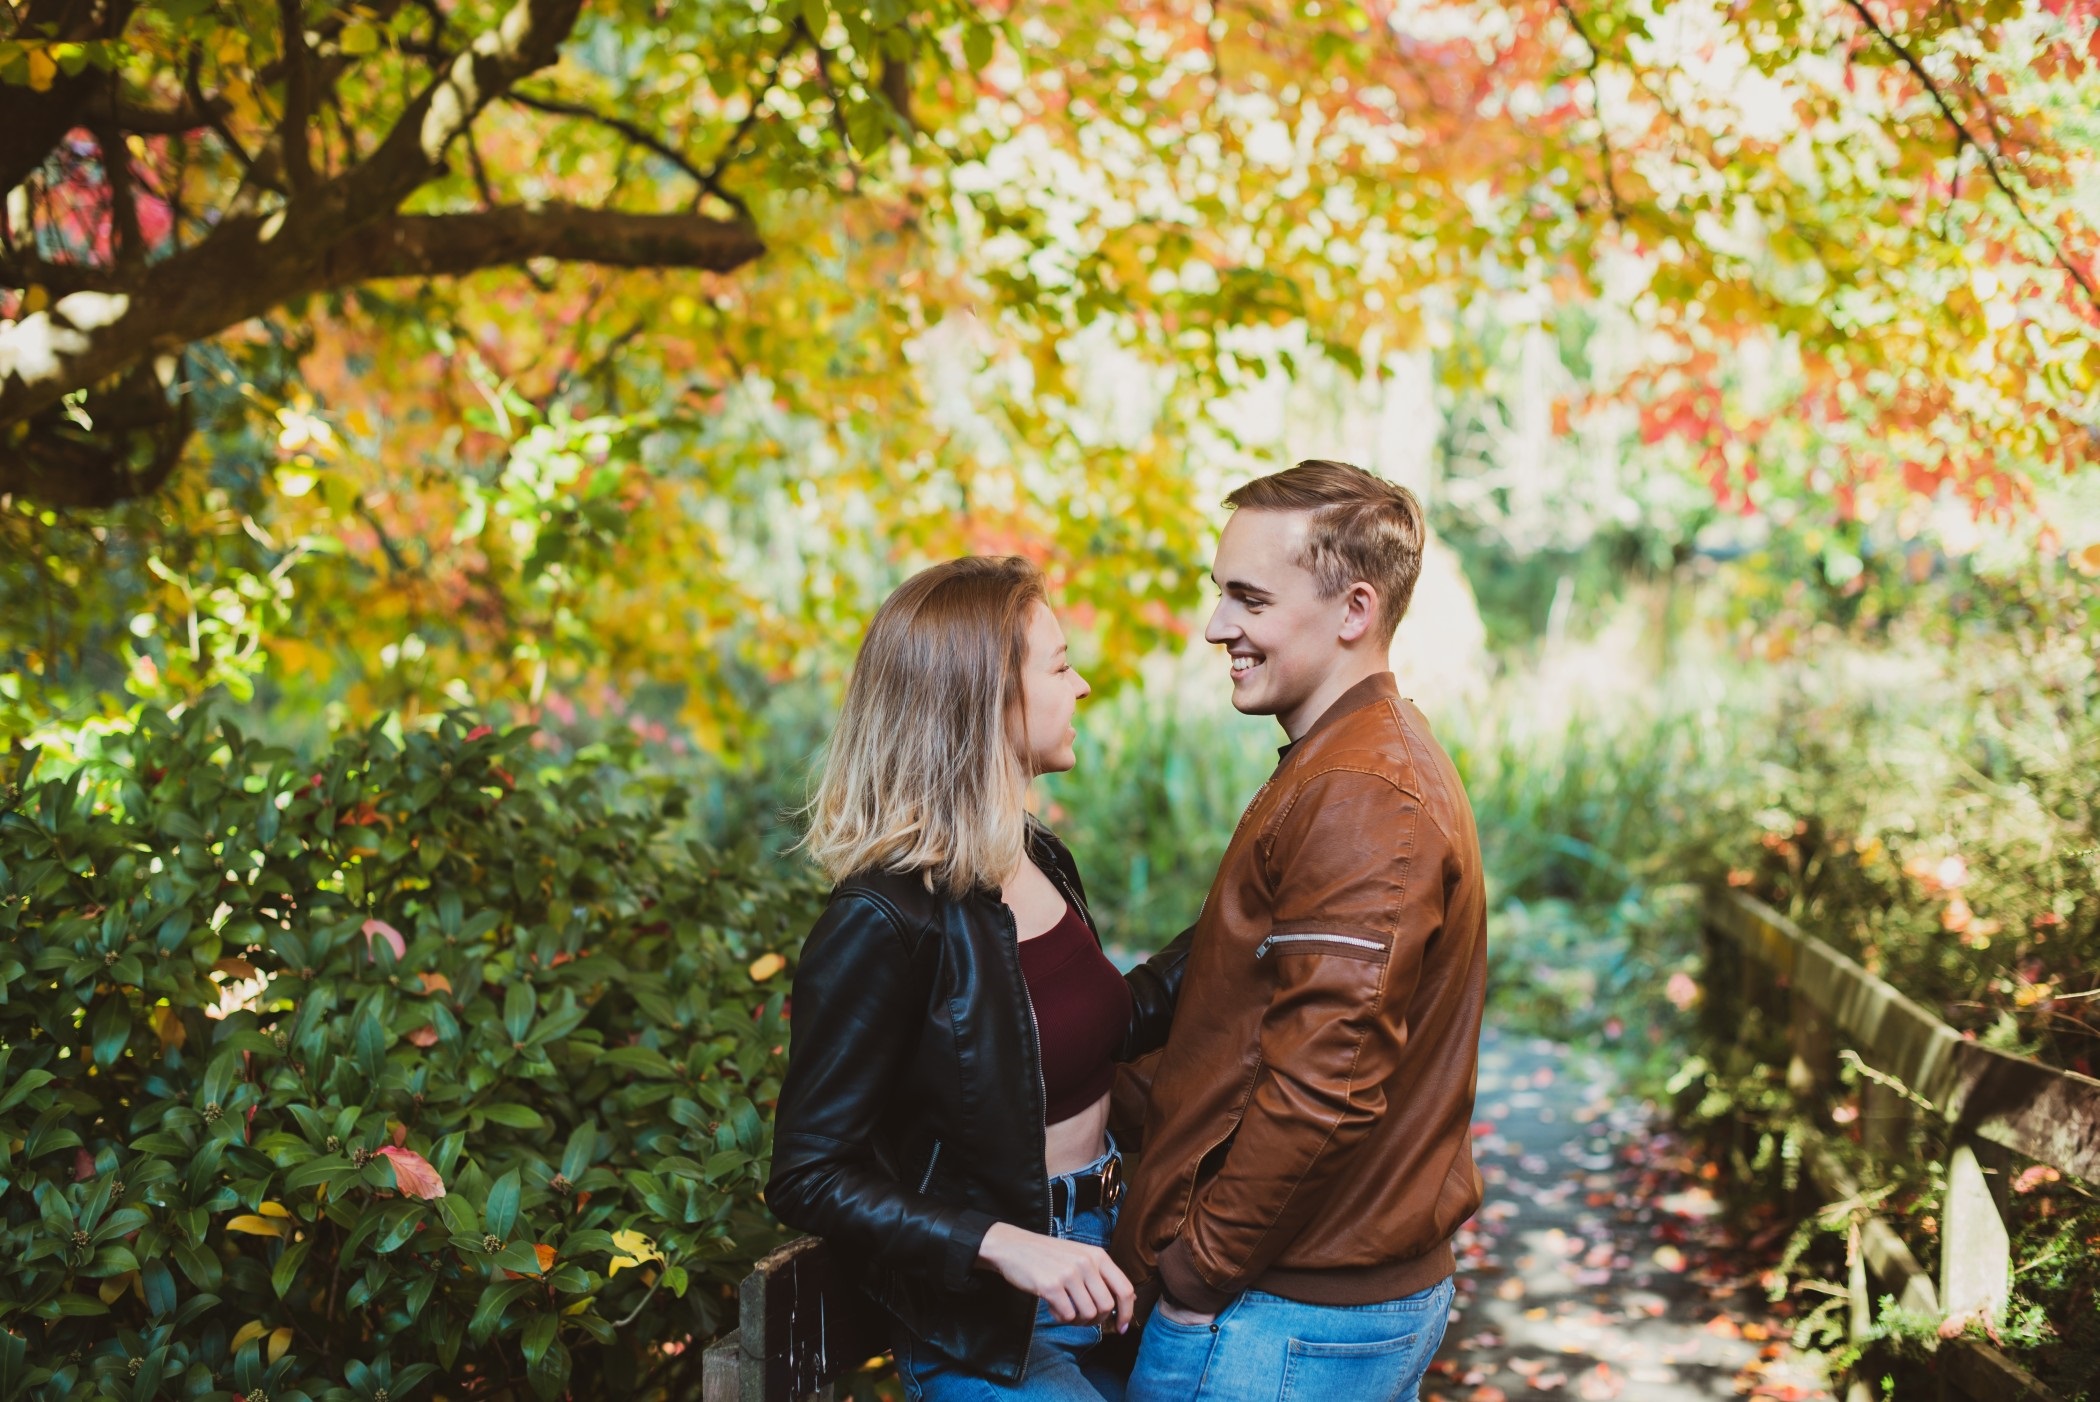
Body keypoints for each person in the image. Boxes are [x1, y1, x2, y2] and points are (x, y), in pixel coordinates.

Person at [768, 555, 1191, 1401]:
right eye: (1062, 665)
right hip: (994, 1325)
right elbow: (807, 1174)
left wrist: (1256, 911)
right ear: (985, 699)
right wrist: (1006, 1243)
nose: (1084, 687)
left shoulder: (1037, 857)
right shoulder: (883, 919)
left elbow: (1099, 1026)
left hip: (1111, 1261)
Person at [1112, 461, 1489, 1402]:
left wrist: (1201, 1271)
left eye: (1249, 598)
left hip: (1278, 1320)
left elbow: (1330, 1076)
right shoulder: (1343, 760)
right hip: (1297, 1314)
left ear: (1355, 609)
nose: (1216, 628)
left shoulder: (1361, 790)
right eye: (1219, 595)